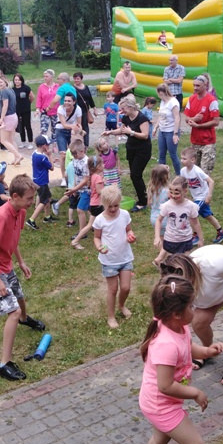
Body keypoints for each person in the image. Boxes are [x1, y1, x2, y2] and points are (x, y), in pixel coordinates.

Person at [138, 275, 223, 444]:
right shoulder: (165, 344)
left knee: (161, 437)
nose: (195, 309)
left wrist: (206, 351)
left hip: (155, 402)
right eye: (191, 305)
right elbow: (166, 385)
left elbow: (187, 348)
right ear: (177, 313)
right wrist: (194, 392)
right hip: (161, 404)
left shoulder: (178, 327)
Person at [160, 246, 223, 386]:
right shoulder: (173, 282)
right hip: (215, 291)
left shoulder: (214, 264)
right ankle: (207, 351)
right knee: (198, 322)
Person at [0, 174, 45, 381]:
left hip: (6, 264)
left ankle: (25, 319)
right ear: (15, 196)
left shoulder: (21, 212)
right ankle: (4, 364)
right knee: (13, 311)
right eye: (29, 198)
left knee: (20, 296)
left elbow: (13, 239)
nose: (32, 202)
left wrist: (21, 262)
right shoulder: (1, 216)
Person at [91, 186, 136, 329]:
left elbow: (128, 230)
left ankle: (121, 305)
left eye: (116, 205)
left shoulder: (125, 215)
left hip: (125, 257)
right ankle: (111, 316)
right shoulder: (99, 220)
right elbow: (96, 238)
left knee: (126, 287)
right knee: (113, 289)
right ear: (103, 203)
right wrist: (99, 247)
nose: (113, 209)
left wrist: (130, 236)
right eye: (109, 206)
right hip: (109, 260)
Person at [104, 96, 151, 212]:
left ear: (130, 107)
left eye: (123, 108)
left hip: (142, 150)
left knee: (135, 175)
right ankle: (142, 197)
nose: (122, 111)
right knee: (134, 175)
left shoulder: (142, 118)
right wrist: (110, 132)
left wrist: (132, 132)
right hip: (131, 149)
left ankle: (143, 202)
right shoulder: (126, 117)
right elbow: (122, 130)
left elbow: (145, 135)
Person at [180, 146, 223, 244]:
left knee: (190, 213)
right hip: (196, 198)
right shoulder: (183, 171)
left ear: (193, 160)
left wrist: (209, 196)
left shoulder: (197, 171)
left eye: (184, 159)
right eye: (181, 158)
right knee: (207, 216)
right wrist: (184, 196)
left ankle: (196, 235)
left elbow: (211, 182)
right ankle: (221, 232)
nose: (182, 161)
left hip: (202, 197)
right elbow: (183, 184)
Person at [154, 176, 203, 266]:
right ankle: (161, 261)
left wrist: (200, 239)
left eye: (176, 193)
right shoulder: (167, 206)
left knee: (186, 262)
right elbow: (159, 220)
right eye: (171, 192)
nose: (173, 195)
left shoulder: (191, 206)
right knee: (173, 263)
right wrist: (157, 237)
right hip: (171, 239)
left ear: (185, 191)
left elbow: (196, 222)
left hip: (186, 239)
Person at [183, 75, 219, 173]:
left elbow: (216, 122)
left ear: (205, 85)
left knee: (204, 172)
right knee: (194, 170)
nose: (195, 88)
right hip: (195, 140)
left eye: (198, 85)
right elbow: (187, 118)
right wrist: (193, 119)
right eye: (194, 85)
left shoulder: (211, 100)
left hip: (208, 142)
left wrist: (198, 126)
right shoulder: (191, 99)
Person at [71, 156, 105, 249]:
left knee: (94, 224)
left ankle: (76, 241)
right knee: (92, 224)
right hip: (98, 204)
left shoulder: (93, 176)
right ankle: (76, 241)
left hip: (94, 204)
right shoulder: (98, 177)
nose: (104, 165)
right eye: (102, 164)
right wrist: (109, 189)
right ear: (98, 166)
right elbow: (99, 191)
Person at [26, 135, 57, 230]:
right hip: (42, 182)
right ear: (44, 146)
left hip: (36, 179)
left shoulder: (34, 154)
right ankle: (31, 220)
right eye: (48, 145)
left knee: (47, 198)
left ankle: (47, 217)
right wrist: (50, 155)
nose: (49, 146)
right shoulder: (43, 157)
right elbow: (52, 168)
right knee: (44, 201)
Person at [0, 77, 25, 166]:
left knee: (3, 140)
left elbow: (5, 105)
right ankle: (16, 158)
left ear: (6, 82)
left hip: (8, 117)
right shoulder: (11, 90)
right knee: (11, 140)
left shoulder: (4, 92)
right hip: (13, 116)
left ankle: (18, 155)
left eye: (1, 82)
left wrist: (1, 118)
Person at [155, 83, 182, 173]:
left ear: (161, 93)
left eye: (158, 93)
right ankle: (161, 175)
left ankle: (179, 174)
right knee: (161, 154)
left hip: (171, 131)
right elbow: (161, 116)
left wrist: (175, 134)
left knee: (172, 154)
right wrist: (155, 127)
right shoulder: (163, 102)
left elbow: (177, 118)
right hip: (162, 131)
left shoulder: (173, 103)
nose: (158, 95)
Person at [72, 72, 96, 147]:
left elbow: (90, 98)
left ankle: (86, 144)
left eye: (78, 79)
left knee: (85, 127)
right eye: (75, 79)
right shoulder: (73, 88)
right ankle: (77, 143)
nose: (76, 80)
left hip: (85, 111)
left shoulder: (86, 87)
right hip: (76, 111)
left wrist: (94, 108)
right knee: (78, 127)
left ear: (81, 79)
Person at [55, 93, 83, 158]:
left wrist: (79, 130)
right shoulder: (60, 108)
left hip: (71, 131)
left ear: (74, 102)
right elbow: (64, 125)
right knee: (63, 154)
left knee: (74, 151)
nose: (66, 103)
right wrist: (73, 126)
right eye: (65, 101)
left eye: (69, 101)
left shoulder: (78, 109)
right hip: (60, 130)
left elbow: (79, 124)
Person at [12, 73, 35, 148]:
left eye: (18, 80)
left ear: (21, 80)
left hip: (26, 110)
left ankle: (30, 142)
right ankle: (23, 142)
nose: (17, 81)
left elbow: (32, 97)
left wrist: (28, 104)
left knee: (28, 126)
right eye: (15, 80)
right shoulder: (13, 90)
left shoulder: (26, 88)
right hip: (18, 111)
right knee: (20, 126)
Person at [36, 69, 59, 141]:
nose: (45, 78)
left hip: (55, 111)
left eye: (47, 76)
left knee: (55, 129)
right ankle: (43, 143)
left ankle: (54, 143)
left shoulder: (57, 86)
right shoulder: (41, 87)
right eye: (44, 76)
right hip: (45, 111)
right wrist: (38, 108)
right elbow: (39, 98)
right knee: (44, 129)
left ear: (51, 77)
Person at [148, 164, 170, 235]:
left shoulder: (151, 189)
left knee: (160, 237)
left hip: (154, 219)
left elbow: (149, 204)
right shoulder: (168, 191)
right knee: (169, 238)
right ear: (166, 177)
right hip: (165, 219)